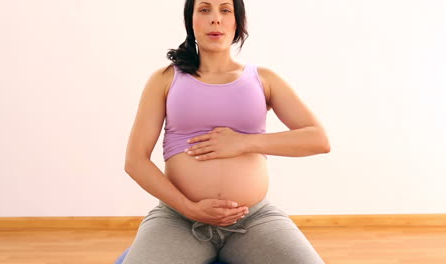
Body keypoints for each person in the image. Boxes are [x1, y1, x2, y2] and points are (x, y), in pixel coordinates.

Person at [122, 0, 330, 263]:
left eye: (225, 10)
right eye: (204, 9)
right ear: (191, 21)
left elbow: (318, 139)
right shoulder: (165, 79)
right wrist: (189, 208)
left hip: (254, 219)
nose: (215, 19)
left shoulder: (263, 79)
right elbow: (135, 161)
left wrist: (244, 143)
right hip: (179, 219)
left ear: (237, 22)